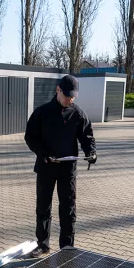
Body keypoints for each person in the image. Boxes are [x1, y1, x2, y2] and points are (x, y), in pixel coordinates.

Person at [24, 74, 97, 258]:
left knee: (68, 209)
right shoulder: (42, 113)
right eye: (67, 95)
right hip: (46, 167)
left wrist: (91, 152)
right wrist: (43, 154)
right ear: (58, 90)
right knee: (43, 207)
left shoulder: (78, 114)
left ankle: (67, 247)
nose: (69, 99)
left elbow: (87, 136)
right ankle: (43, 245)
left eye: (72, 96)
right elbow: (30, 137)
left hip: (68, 170)